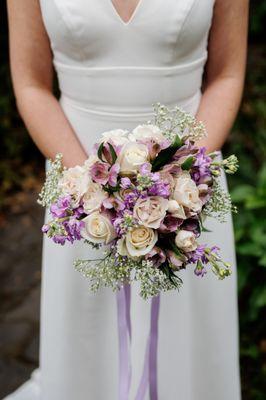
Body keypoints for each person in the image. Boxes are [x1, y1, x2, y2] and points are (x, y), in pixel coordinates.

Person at [5, 0, 249, 399]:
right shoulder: (84, 188)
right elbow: (31, 85)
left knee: (188, 346)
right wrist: (92, 191)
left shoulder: (185, 185)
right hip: (78, 180)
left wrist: (180, 179)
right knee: (85, 344)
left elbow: (228, 73)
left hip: (187, 188)